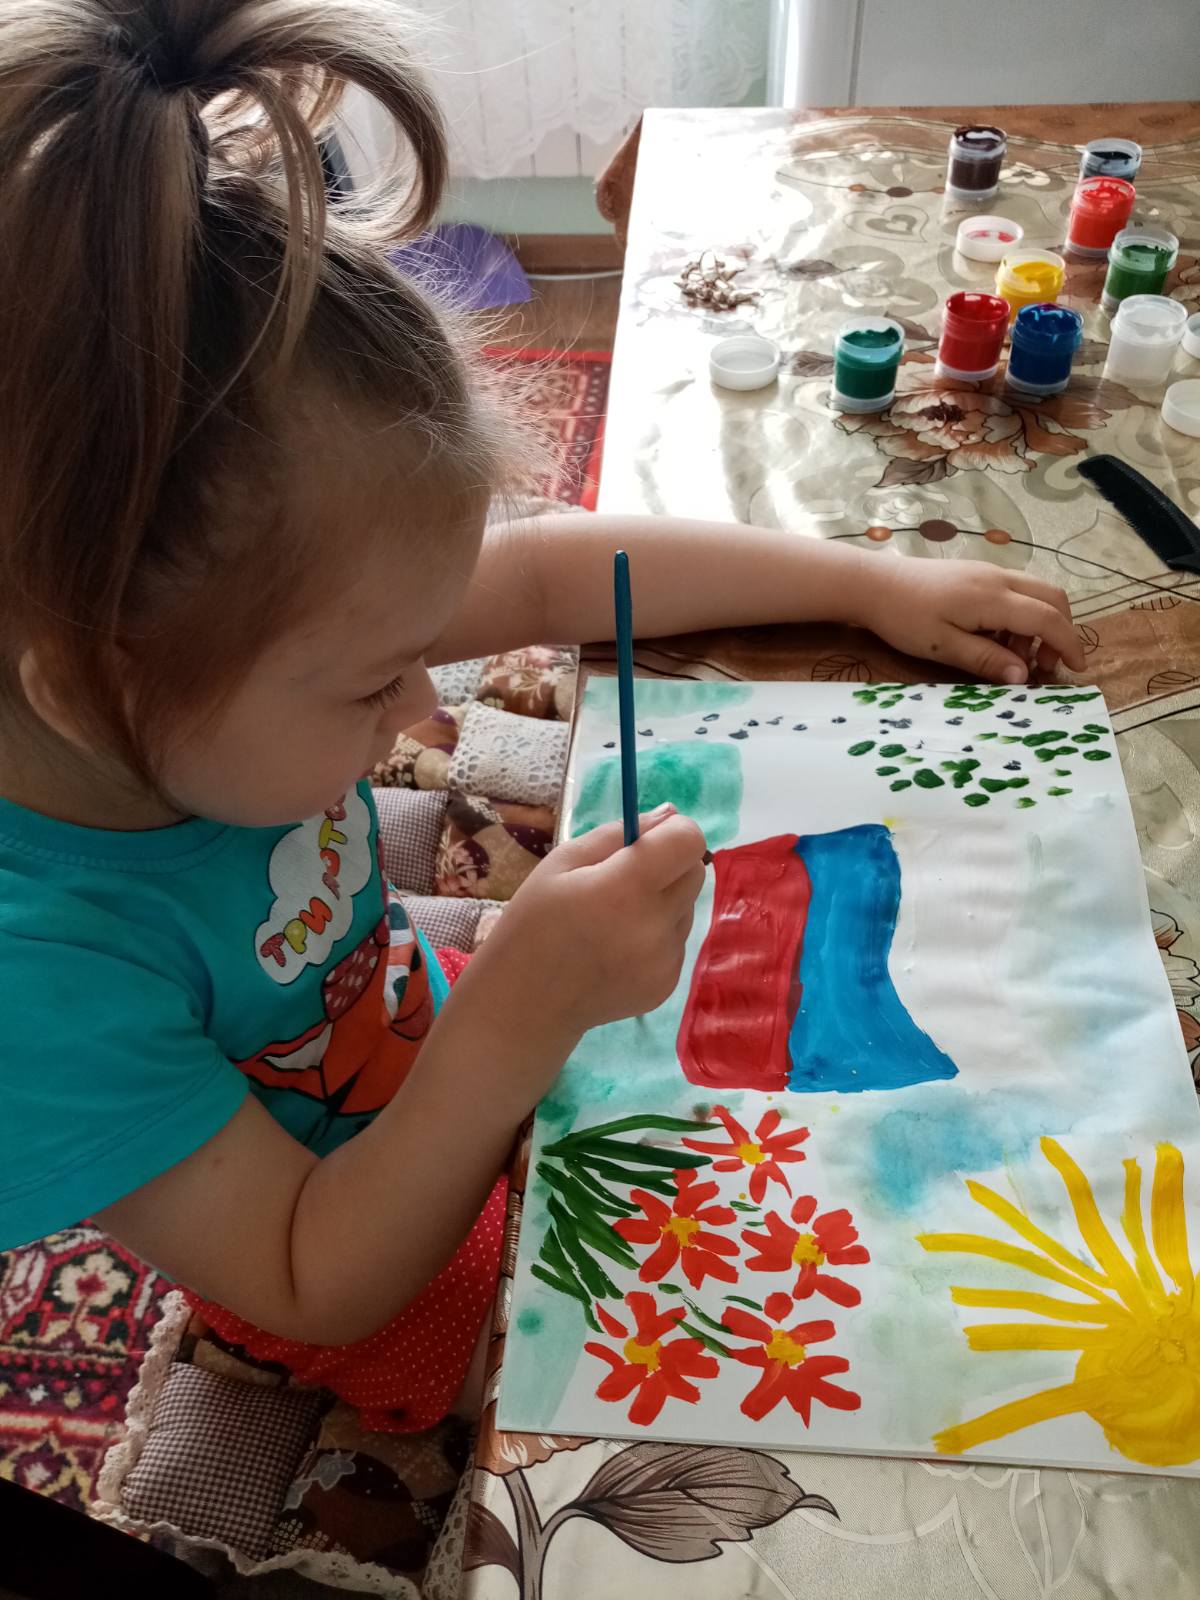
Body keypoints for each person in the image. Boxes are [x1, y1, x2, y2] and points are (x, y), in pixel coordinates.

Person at [0, 0, 1085, 1432]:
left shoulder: (224, 635)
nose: (423, 707)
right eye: (371, 682)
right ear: (94, 680)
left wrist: (867, 581)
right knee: (639, 1358)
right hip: (339, 1236)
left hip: (409, 1024)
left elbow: (560, 572)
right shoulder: (38, 982)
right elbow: (311, 1276)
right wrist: (513, 1022)